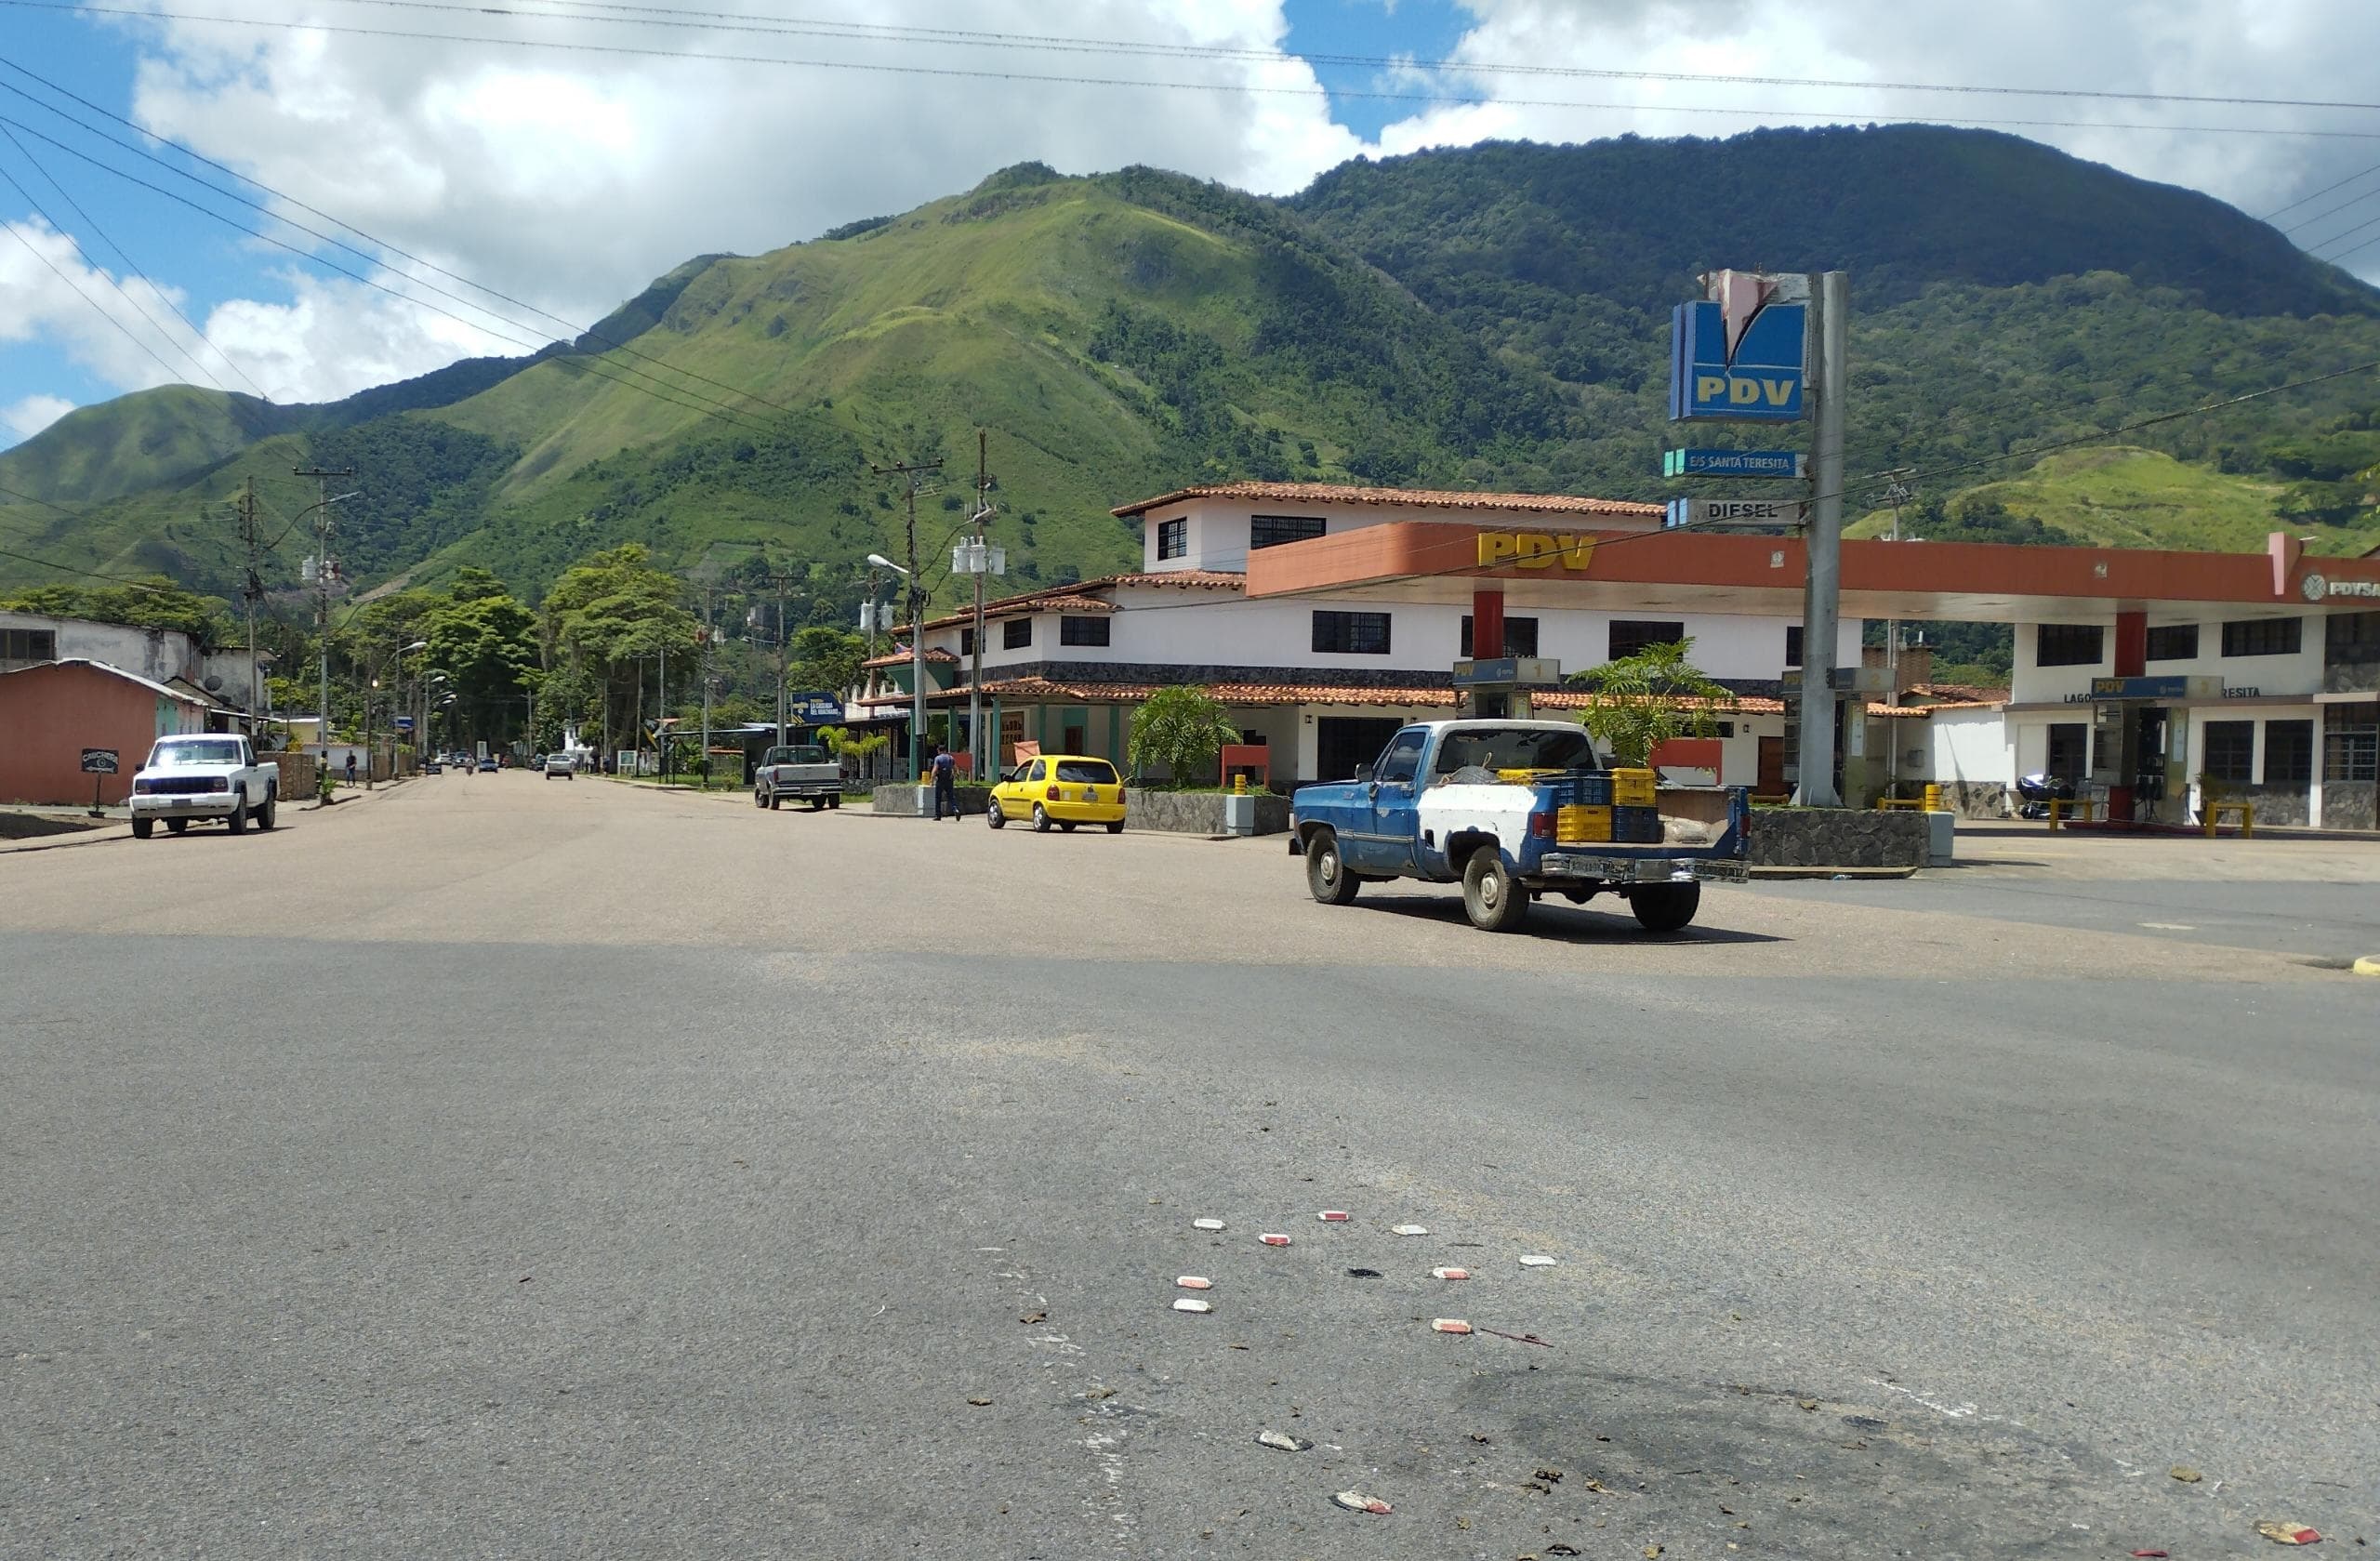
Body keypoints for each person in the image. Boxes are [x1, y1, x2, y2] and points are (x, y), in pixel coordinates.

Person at [930, 743, 958, 822]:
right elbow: (955, 769)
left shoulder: (938, 758)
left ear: (939, 751)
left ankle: (938, 815)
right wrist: (953, 776)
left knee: (938, 797)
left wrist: (931, 780)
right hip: (949, 779)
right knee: (951, 797)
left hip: (940, 780)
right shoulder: (951, 758)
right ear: (945, 750)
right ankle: (955, 809)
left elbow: (935, 770)